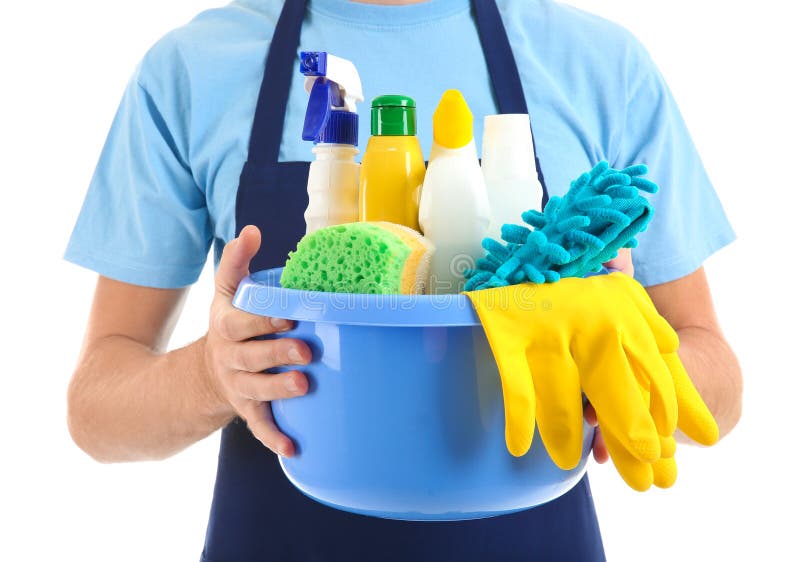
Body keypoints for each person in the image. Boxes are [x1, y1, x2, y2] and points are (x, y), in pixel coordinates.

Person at [64, 0, 742, 560]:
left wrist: (623, 353)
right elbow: (96, 410)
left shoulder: (599, 66)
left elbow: (720, 384)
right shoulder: (195, 68)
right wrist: (212, 376)